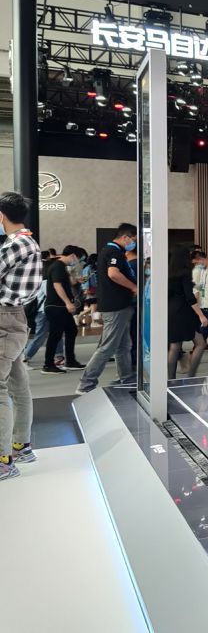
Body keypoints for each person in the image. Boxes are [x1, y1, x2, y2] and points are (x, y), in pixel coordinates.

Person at [0, 192, 43, 481]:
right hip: (14, 317)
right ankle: (21, 446)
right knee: (18, 385)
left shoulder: (15, 243)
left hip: (4, 318)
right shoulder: (28, 242)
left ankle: (4, 461)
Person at [77, 223, 138, 395]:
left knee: (123, 345)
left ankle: (126, 378)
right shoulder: (113, 252)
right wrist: (134, 287)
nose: (134, 244)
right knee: (108, 347)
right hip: (115, 306)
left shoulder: (112, 251)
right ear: (125, 237)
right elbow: (113, 273)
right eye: (133, 240)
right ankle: (86, 383)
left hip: (120, 305)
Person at [42, 246, 86, 374]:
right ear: (73, 255)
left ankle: (70, 361)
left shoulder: (61, 267)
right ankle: (48, 364)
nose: (77, 262)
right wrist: (68, 303)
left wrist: (76, 280)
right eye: (78, 259)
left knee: (71, 330)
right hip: (57, 306)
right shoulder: (58, 266)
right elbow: (57, 285)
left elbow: (64, 283)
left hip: (59, 306)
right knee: (55, 335)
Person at [168, 246, 208, 380]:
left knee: (175, 346)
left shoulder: (168, 273)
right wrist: (201, 315)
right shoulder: (185, 273)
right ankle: (191, 376)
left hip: (171, 310)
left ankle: (171, 379)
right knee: (200, 343)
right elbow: (189, 297)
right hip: (184, 311)